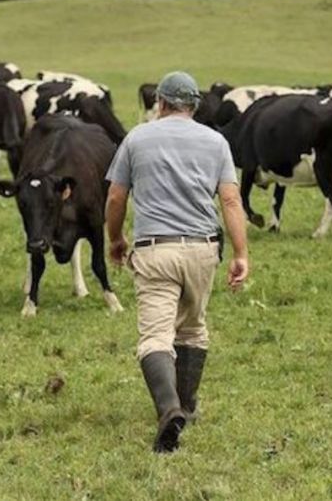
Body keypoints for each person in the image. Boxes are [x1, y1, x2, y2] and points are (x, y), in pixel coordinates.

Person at [105, 71, 249, 453]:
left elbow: (116, 197)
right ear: (194, 106)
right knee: (192, 331)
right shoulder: (216, 141)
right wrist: (240, 254)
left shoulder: (137, 137)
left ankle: (170, 410)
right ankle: (186, 406)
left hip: (155, 250)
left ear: (161, 102)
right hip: (202, 249)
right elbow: (232, 201)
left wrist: (115, 238)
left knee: (155, 336)